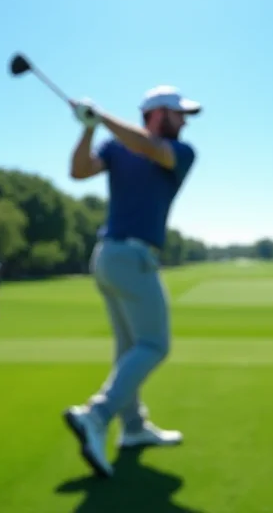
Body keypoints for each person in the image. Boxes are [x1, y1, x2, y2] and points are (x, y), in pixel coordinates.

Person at [62, 85, 201, 478]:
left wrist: (101, 117)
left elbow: (152, 149)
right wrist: (88, 128)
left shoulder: (180, 154)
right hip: (127, 256)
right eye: (179, 114)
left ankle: (135, 429)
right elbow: (78, 171)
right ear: (158, 113)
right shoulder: (115, 146)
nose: (185, 121)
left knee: (129, 351)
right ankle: (97, 415)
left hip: (112, 259)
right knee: (155, 345)